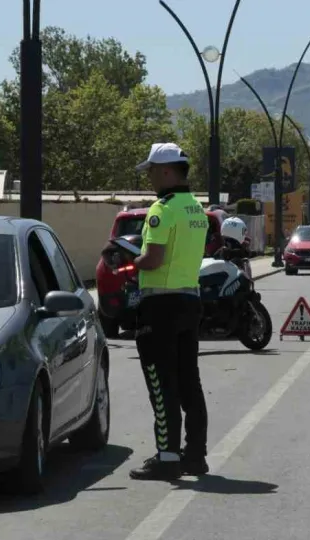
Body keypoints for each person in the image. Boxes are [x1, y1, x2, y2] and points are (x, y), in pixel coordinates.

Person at [119, 143, 209, 481]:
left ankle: (167, 458)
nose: (150, 179)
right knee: (189, 382)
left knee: (161, 383)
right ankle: (195, 456)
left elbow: (153, 259)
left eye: (153, 172)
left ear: (168, 171)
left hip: (159, 305)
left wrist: (130, 260)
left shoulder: (163, 209)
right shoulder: (195, 210)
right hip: (189, 300)